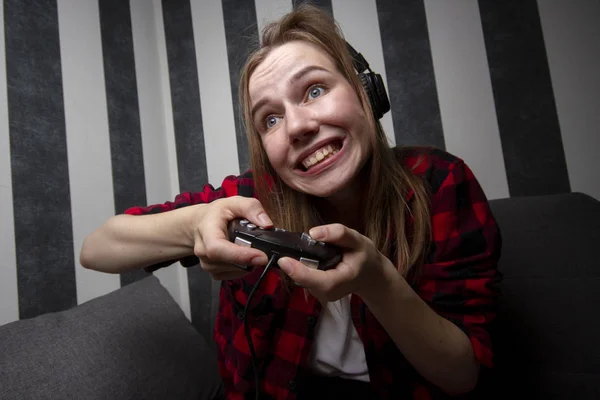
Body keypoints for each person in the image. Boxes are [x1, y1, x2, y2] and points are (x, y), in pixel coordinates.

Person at [80, 4, 502, 400]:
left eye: (315, 90)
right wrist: (195, 225)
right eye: (271, 119)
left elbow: (461, 376)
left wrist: (377, 281)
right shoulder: (248, 199)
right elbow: (97, 249)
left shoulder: (440, 183)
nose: (297, 126)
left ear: (365, 92)